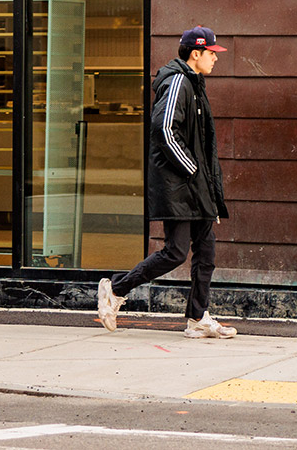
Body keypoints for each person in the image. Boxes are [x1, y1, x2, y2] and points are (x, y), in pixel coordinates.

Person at [96, 26, 234, 340]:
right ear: (195, 54)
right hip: (180, 187)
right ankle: (115, 289)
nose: (215, 58)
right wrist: (192, 171)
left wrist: (204, 184)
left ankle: (198, 318)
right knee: (175, 252)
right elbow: (164, 130)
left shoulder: (195, 83)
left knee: (206, 250)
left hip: (194, 187)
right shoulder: (178, 82)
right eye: (211, 52)